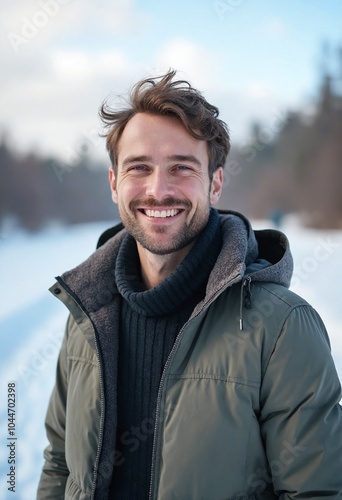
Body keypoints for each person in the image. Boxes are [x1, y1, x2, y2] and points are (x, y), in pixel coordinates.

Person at [37, 70, 342, 499]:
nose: (158, 191)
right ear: (114, 183)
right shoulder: (88, 314)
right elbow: (59, 463)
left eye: (181, 168)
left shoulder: (283, 329)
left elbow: (317, 492)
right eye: (138, 167)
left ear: (215, 183)